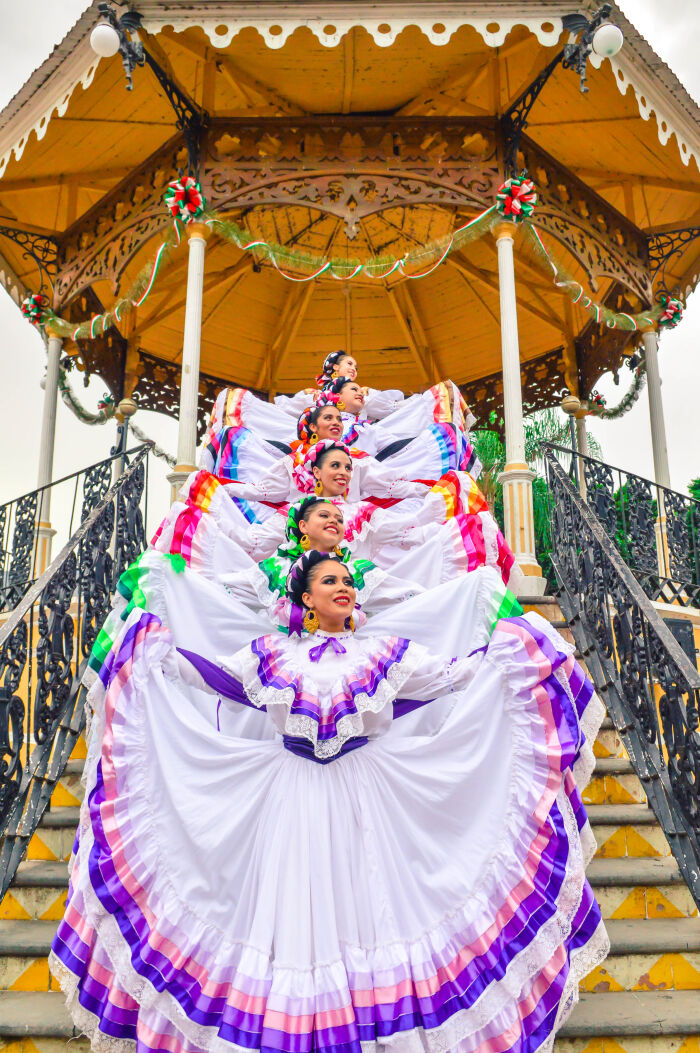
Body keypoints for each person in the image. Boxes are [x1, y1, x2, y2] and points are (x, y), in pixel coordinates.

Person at [51, 548, 608, 1052]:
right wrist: (160, 660)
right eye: (329, 581)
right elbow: (222, 682)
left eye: (347, 580)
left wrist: (502, 660)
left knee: (370, 906)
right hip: (287, 796)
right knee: (292, 907)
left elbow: (443, 681)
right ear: (307, 599)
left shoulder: (385, 651)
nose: (343, 587)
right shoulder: (272, 653)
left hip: (368, 793)